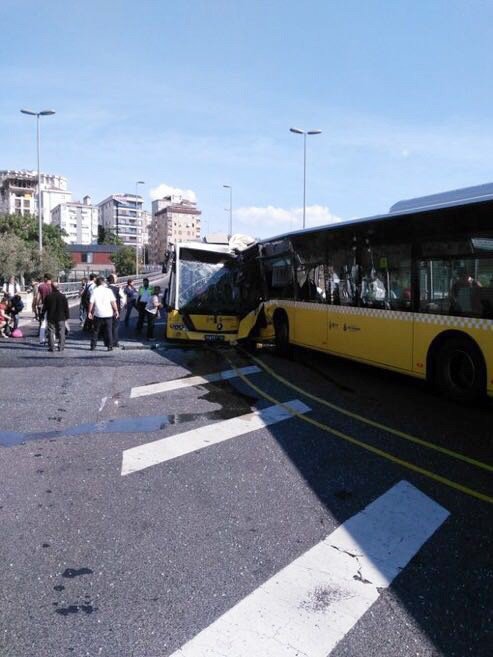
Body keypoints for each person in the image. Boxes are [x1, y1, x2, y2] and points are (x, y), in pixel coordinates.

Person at [87, 276, 119, 351]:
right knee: (109, 330)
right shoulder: (109, 291)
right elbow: (113, 302)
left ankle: (93, 346)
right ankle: (110, 346)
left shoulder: (94, 291)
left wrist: (89, 312)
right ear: (103, 283)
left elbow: (91, 302)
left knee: (95, 331)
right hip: (108, 314)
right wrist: (116, 311)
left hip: (98, 314)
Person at [44, 281, 70, 352]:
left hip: (51, 317)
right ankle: (61, 347)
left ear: (52, 287)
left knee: (51, 332)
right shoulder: (63, 296)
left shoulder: (48, 297)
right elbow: (66, 308)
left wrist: (42, 315)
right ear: (58, 287)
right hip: (61, 317)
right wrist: (67, 316)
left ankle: (52, 347)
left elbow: (45, 308)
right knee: (62, 332)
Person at [107, 274, 126, 348]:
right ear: (114, 280)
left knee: (108, 326)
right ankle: (115, 342)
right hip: (116, 310)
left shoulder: (106, 288)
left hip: (107, 309)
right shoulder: (118, 289)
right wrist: (120, 307)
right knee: (115, 326)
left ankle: (109, 342)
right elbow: (123, 299)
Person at [36, 274, 53, 345]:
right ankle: (52, 340)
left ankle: (42, 340)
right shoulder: (53, 286)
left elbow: (38, 297)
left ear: (45, 278)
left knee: (43, 323)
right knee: (52, 324)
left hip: (44, 306)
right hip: (52, 307)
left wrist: (37, 305)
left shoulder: (41, 286)